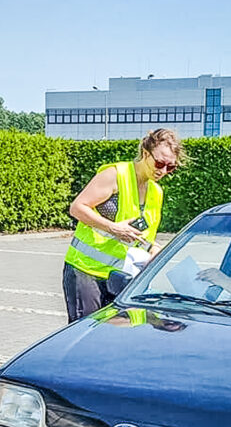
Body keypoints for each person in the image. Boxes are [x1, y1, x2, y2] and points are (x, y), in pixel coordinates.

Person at [63, 128, 184, 323]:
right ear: (146, 154)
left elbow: (142, 237)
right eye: (160, 163)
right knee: (86, 336)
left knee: (114, 338)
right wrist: (113, 227)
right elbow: (77, 208)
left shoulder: (156, 192)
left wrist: (153, 248)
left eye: (170, 167)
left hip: (119, 277)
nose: (163, 171)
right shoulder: (115, 175)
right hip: (86, 271)